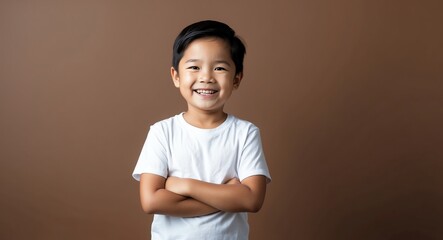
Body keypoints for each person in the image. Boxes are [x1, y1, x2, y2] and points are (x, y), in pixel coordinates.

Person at [132, 20, 271, 240]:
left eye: (219, 68)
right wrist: (226, 196)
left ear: (236, 79)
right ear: (176, 76)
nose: (206, 77)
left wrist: (184, 185)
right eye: (194, 67)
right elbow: (151, 201)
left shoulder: (245, 133)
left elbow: (252, 201)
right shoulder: (162, 132)